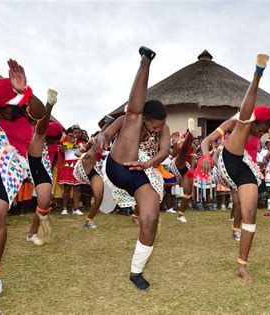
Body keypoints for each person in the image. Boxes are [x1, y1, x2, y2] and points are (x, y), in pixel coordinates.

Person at [200, 54, 270, 283]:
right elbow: (206, 142)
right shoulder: (238, 123)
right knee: (242, 127)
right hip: (227, 161)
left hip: (247, 169)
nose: (259, 133)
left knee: (250, 214)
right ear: (253, 121)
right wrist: (205, 156)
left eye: (263, 130)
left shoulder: (265, 129)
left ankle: (241, 266)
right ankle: (257, 74)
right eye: (258, 129)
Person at [97, 46, 169, 291]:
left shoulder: (162, 127)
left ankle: (136, 272)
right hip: (117, 165)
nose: (158, 130)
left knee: (150, 218)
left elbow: (165, 151)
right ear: (147, 117)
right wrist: (102, 138)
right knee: (132, 118)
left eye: (161, 127)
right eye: (155, 126)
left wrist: (147, 164)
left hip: (138, 170)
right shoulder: (132, 120)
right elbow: (106, 133)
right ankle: (145, 63)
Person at [0, 59, 46, 300]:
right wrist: (11, 90)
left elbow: (40, 113)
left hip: (6, 163)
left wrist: (24, 91)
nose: (8, 108)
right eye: (5, 104)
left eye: (13, 105)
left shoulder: (27, 109)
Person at [26, 89, 58, 245]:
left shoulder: (42, 133)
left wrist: (49, 105)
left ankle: (32, 233)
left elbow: (42, 129)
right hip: (12, 157)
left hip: (37, 161)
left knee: (44, 201)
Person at [168, 120, 195, 222]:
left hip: (185, 168)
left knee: (188, 191)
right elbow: (174, 154)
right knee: (183, 151)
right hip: (176, 163)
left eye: (191, 136)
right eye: (189, 135)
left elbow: (193, 158)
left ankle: (181, 214)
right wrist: (176, 143)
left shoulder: (193, 147)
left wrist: (192, 169)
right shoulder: (180, 141)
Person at [59, 125, 85, 215]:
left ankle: (76, 209)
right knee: (67, 188)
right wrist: (65, 142)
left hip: (78, 165)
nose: (77, 134)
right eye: (75, 132)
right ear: (71, 133)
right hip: (68, 165)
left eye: (78, 133)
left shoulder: (82, 144)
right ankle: (64, 208)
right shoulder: (64, 141)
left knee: (77, 188)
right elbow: (61, 151)